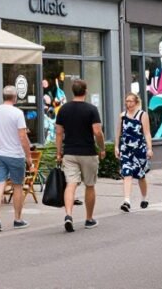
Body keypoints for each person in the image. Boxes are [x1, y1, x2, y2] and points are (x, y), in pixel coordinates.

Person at [55, 79, 105, 232]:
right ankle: (89, 219)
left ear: (72, 91)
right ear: (86, 91)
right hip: (88, 152)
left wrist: (59, 152)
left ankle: (69, 215)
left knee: (71, 184)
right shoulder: (91, 109)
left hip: (69, 153)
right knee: (89, 185)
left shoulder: (63, 109)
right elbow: (97, 131)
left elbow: (58, 133)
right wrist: (102, 148)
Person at [0, 85, 33, 232]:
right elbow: (22, 136)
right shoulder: (17, 113)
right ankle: (17, 219)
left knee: (0, 185)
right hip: (15, 155)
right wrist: (29, 157)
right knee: (17, 185)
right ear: (15, 97)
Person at [115, 93, 152, 212]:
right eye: (126, 101)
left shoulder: (142, 115)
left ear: (136, 102)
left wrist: (149, 148)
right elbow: (118, 133)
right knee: (127, 173)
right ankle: (127, 201)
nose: (128, 104)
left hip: (139, 149)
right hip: (125, 149)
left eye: (130, 101)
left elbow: (146, 133)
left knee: (140, 176)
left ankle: (144, 197)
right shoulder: (122, 116)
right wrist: (116, 146)